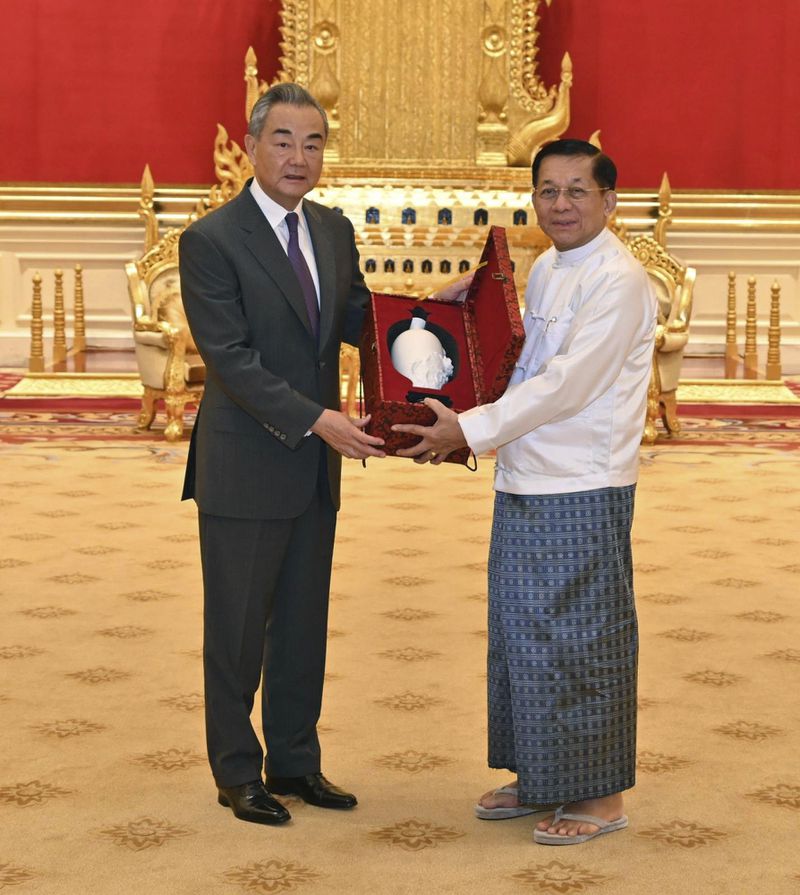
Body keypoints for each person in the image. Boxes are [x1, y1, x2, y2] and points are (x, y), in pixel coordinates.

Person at [392, 139, 656, 845]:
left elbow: (569, 385)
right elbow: (515, 360)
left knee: (584, 637)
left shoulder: (621, 281)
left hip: (582, 481)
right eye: (548, 190)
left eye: (577, 190)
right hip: (526, 473)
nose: (561, 204)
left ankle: (601, 796)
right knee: (524, 634)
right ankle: (541, 775)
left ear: (610, 200)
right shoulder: (543, 270)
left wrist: (466, 430)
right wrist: (463, 308)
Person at [179, 82, 385, 826]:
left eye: (314, 143)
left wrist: (434, 317)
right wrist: (318, 420)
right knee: (236, 631)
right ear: (253, 145)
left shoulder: (331, 230)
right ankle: (237, 772)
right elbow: (231, 361)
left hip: (313, 471)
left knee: (301, 622)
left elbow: (361, 317)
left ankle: (296, 761)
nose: (299, 157)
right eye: (284, 141)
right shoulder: (210, 239)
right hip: (247, 463)